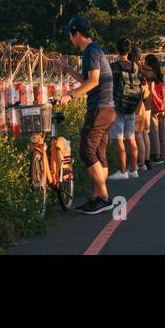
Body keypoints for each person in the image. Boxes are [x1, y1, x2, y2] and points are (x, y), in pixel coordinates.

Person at [61, 16, 116, 214]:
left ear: (77, 34)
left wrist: (70, 95)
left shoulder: (90, 52)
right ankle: (97, 197)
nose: (70, 39)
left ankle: (104, 197)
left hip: (99, 109)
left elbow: (93, 81)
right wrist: (67, 69)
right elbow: (87, 79)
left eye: (70, 35)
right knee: (99, 154)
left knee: (86, 151)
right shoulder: (96, 50)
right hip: (107, 109)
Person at [108, 38, 143, 180]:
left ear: (117, 50)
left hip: (118, 105)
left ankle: (122, 171)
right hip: (131, 104)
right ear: (129, 50)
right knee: (131, 138)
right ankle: (133, 169)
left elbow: (108, 85)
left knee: (119, 140)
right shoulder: (135, 66)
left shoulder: (113, 67)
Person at [145, 53, 165, 163]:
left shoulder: (149, 76)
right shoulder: (162, 76)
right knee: (164, 131)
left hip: (154, 106)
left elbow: (151, 90)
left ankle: (156, 154)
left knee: (154, 131)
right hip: (164, 106)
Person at [131, 46, 153, 173]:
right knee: (144, 134)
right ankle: (146, 161)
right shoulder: (146, 69)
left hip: (137, 106)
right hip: (145, 105)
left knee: (137, 135)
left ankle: (141, 162)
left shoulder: (134, 68)